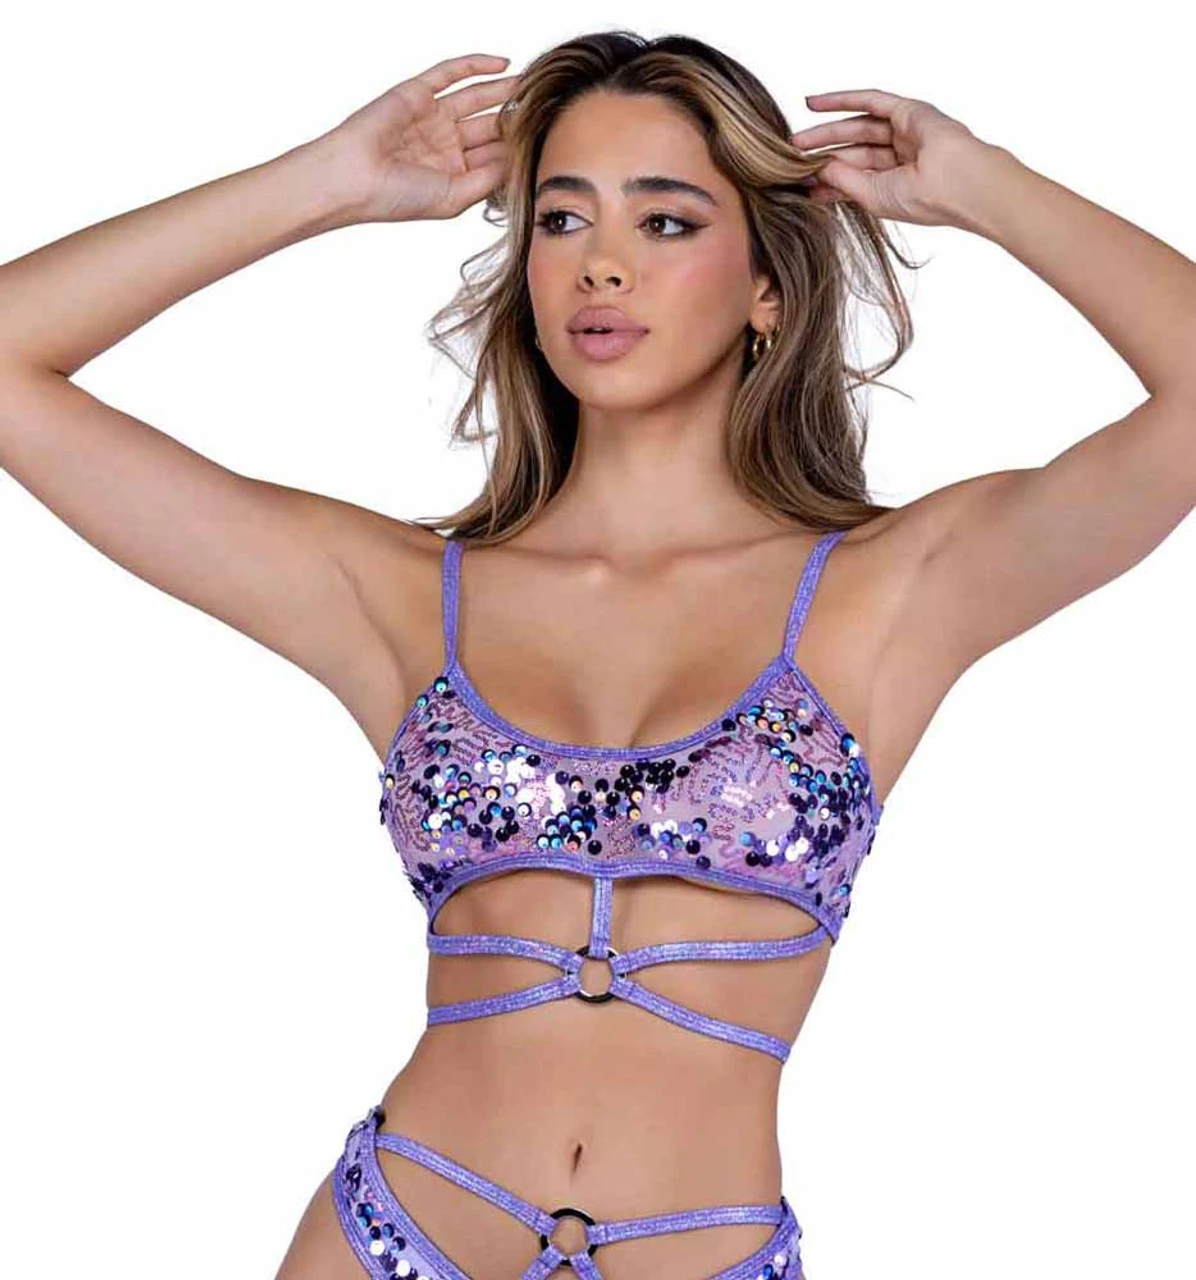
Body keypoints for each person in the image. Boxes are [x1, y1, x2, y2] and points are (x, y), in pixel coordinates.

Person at [1, 27, 1192, 1280]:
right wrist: (326, 182)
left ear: (767, 287)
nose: (601, 265)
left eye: (664, 222)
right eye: (560, 220)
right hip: (394, 1235)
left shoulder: (890, 590)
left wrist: (987, 185)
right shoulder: (403, 597)